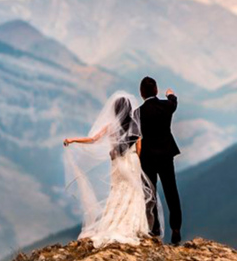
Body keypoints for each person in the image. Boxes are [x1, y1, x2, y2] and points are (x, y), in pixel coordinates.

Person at [62, 92, 153, 247]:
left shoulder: (112, 127)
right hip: (132, 161)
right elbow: (139, 148)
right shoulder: (136, 126)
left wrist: (73, 140)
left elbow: (93, 140)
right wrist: (136, 160)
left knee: (117, 191)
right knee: (133, 191)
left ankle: (113, 223)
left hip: (117, 163)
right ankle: (134, 225)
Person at [136, 76, 182, 245]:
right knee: (171, 190)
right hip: (166, 154)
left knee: (150, 191)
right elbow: (173, 102)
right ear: (156, 90)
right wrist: (170, 94)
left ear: (141, 93)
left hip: (147, 156)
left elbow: (134, 134)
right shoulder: (166, 106)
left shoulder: (138, 113)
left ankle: (154, 227)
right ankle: (175, 228)